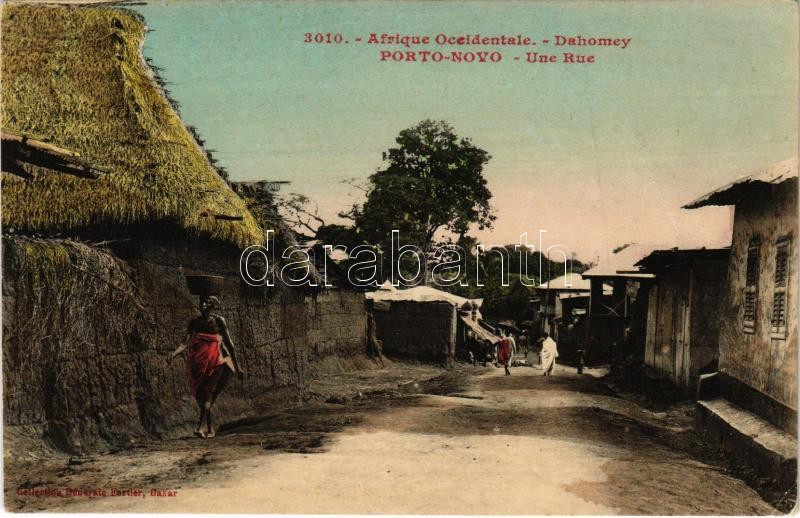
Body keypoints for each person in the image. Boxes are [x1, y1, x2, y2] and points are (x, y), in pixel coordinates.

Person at [169, 296, 243, 438]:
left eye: (207, 303)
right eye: (201, 302)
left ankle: (200, 426)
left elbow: (229, 344)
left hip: (217, 362)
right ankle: (210, 429)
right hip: (198, 364)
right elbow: (184, 343)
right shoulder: (195, 322)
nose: (203, 305)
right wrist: (174, 354)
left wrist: (237, 367)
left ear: (212, 306)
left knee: (208, 392)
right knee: (203, 396)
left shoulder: (219, 321)